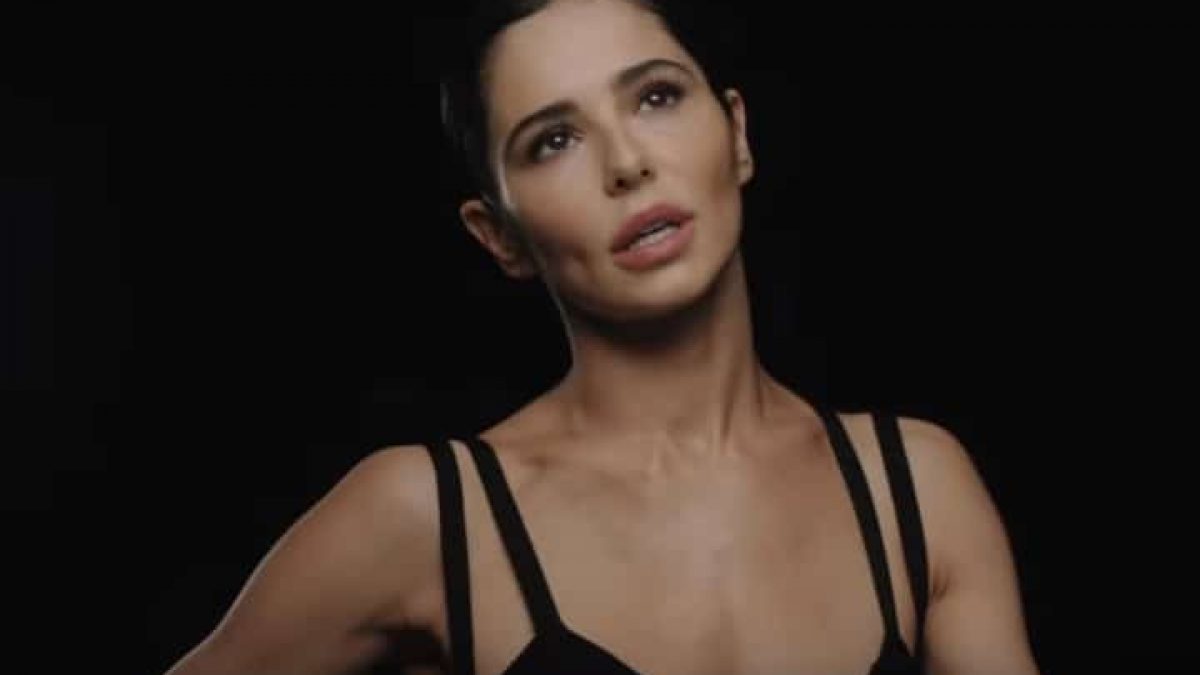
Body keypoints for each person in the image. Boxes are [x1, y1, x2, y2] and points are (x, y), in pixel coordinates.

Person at [165, 1, 1040, 673]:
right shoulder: (428, 515)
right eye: (553, 141)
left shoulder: (914, 491)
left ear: (736, 134)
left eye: (656, 96)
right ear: (498, 235)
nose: (627, 163)